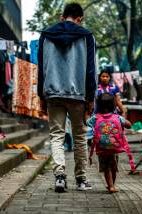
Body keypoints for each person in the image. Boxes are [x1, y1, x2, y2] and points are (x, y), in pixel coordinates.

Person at [37, 2, 97, 192]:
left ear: (62, 17)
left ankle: (60, 177)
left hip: (53, 92)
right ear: (79, 19)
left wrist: (41, 94)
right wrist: (90, 97)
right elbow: (90, 69)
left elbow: (41, 67)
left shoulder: (46, 35)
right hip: (78, 94)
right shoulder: (86, 36)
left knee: (56, 135)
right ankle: (80, 180)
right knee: (80, 136)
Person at [87, 93, 134, 193]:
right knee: (113, 166)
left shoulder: (96, 118)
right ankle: (112, 185)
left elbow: (87, 123)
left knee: (106, 167)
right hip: (114, 147)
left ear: (98, 105)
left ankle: (110, 186)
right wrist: (124, 117)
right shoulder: (117, 117)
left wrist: (88, 112)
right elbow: (129, 125)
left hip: (102, 147)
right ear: (114, 105)